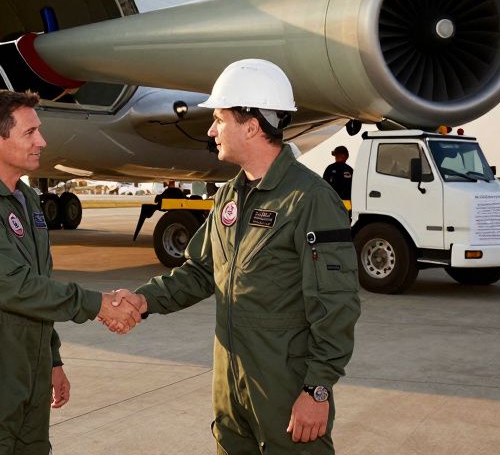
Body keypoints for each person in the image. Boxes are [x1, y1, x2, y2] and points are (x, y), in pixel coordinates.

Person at [112, 59, 361, 454]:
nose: (211, 131)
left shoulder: (309, 199)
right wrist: (144, 301)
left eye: (219, 119)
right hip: (230, 382)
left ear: (251, 124)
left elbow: (336, 303)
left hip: (285, 384)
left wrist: (317, 389)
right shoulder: (229, 195)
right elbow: (199, 271)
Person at [0, 89, 142, 454]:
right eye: (30, 132)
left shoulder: (28, 201)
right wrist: (98, 304)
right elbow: (14, 288)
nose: (42, 141)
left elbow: (40, 286)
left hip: (30, 376)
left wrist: (53, 360)